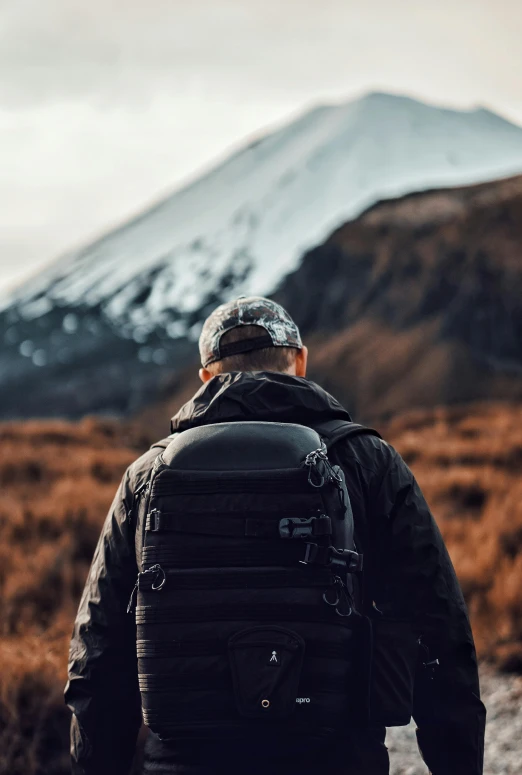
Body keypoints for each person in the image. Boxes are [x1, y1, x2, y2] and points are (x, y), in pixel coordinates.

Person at [65, 296, 486, 775]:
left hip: (185, 763)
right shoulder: (368, 461)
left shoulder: (146, 476)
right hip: (337, 758)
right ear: (300, 361)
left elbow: (96, 655)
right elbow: (441, 626)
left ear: (207, 377)